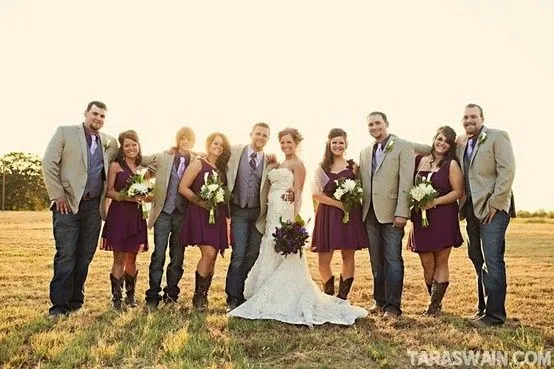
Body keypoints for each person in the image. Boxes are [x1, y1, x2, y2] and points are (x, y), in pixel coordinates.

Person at [228, 128, 367, 326]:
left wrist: (293, 221)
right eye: (283, 142)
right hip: (272, 212)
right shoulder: (278, 162)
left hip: (285, 211)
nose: (286, 146)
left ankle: (296, 294)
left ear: (296, 144)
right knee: (269, 250)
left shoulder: (299, 164)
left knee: (286, 253)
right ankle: (268, 292)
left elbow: (300, 194)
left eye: (289, 143)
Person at [42, 101, 118, 319]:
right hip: (67, 205)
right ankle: (58, 306)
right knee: (66, 255)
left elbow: (130, 158)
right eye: (95, 114)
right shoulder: (65, 132)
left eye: (103, 116)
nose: (98, 119)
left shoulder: (109, 142)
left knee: (85, 255)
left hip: (94, 207)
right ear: (86, 113)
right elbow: (49, 163)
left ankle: (76, 302)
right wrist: (58, 195)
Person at [459, 104, 515, 327]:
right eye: (465, 117)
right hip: (471, 210)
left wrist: (496, 203)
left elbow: (507, 170)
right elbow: (434, 147)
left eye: (473, 116)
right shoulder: (461, 142)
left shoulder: (497, 136)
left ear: (482, 118)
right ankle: (482, 308)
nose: (469, 120)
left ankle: (495, 316)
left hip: (494, 209)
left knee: (492, 261)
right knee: (477, 259)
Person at [359, 111, 414, 321]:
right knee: (376, 259)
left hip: (393, 213)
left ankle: (393, 307)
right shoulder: (365, 151)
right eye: (371, 124)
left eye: (378, 123)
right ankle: (379, 301)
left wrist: (402, 211)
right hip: (369, 212)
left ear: (387, 124)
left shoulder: (402, 146)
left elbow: (406, 181)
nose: (374, 127)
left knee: (392, 259)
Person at [407, 126, 463, 316]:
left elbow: (458, 192)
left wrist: (434, 202)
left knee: (441, 261)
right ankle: (433, 300)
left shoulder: (452, 164)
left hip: (443, 216)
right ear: (434, 139)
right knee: (426, 263)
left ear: (451, 145)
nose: (442, 143)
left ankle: (434, 306)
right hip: (420, 218)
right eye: (440, 139)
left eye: (447, 141)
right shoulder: (419, 160)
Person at [310, 128, 369, 301]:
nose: (338, 145)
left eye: (341, 142)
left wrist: (350, 202)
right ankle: (328, 295)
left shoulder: (353, 167)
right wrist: (339, 204)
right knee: (323, 258)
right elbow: (315, 194)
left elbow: (361, 189)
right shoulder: (322, 167)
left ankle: (342, 297)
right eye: (334, 142)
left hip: (349, 216)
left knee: (347, 256)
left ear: (346, 144)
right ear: (329, 144)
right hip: (327, 214)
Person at [144, 127, 197, 311]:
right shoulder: (164, 156)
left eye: (188, 139)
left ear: (193, 141)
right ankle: (152, 296)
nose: (185, 141)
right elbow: (141, 161)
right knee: (158, 254)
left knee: (177, 256)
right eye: (182, 138)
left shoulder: (196, 159)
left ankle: (171, 294)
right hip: (163, 213)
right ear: (177, 139)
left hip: (182, 215)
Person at [224, 122, 275, 312]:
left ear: (268, 139)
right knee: (238, 254)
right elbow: (211, 154)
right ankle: (232, 297)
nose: (260, 138)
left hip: (258, 214)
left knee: (252, 254)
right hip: (238, 210)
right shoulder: (235, 151)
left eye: (264, 136)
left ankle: (245, 293)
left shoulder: (270, 162)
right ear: (251, 134)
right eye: (258, 134)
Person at [179, 132, 231, 311]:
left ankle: (204, 295)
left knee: (214, 256)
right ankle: (197, 298)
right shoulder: (198, 163)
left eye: (221, 145)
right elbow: (183, 188)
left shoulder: (222, 169)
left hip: (217, 215)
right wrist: (202, 202)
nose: (218, 147)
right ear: (208, 144)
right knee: (208, 253)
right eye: (215, 143)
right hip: (199, 213)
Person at [100, 130, 150, 309]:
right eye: (127, 145)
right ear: (122, 147)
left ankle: (131, 296)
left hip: (136, 216)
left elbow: (147, 192)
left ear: (138, 146)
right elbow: (109, 191)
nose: (131, 148)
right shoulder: (115, 166)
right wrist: (127, 196)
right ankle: (117, 299)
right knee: (119, 258)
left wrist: (144, 195)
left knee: (132, 258)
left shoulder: (143, 170)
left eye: (134, 144)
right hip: (120, 215)